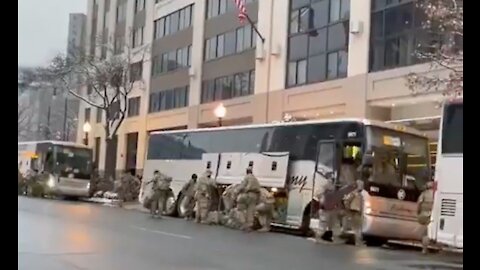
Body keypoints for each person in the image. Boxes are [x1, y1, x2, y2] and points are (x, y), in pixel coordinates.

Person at [314, 180, 343, 244]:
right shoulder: (322, 193)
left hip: (332, 210)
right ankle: (318, 237)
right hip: (325, 211)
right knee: (323, 224)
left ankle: (336, 238)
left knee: (335, 224)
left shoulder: (331, 192)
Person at [236, 166, 261, 231]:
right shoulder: (255, 179)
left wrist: (236, 191)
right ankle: (249, 225)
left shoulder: (246, 177)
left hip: (247, 195)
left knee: (240, 209)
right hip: (254, 196)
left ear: (246, 171)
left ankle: (243, 223)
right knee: (251, 211)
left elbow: (242, 186)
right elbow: (259, 189)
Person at [343, 180, 365, 246]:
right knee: (357, 228)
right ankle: (358, 242)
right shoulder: (353, 193)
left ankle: (358, 241)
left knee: (358, 228)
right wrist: (348, 210)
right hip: (353, 212)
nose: (362, 186)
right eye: (361, 185)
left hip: (357, 212)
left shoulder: (360, 194)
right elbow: (347, 201)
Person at [417, 181, 434, 254]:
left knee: (425, 233)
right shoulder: (435, 194)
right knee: (427, 232)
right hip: (432, 215)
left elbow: (419, 203)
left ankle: (424, 249)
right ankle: (425, 248)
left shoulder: (423, 194)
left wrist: (418, 212)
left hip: (423, 214)